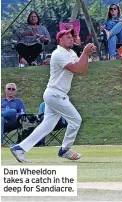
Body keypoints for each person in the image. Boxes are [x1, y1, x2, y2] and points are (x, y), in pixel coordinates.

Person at [10, 28, 96, 162]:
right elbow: (75, 68)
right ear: (60, 40)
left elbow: (82, 69)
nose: (71, 38)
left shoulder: (71, 52)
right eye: (67, 36)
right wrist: (85, 52)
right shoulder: (58, 54)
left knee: (47, 126)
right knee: (76, 120)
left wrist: (86, 54)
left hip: (56, 94)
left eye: (72, 36)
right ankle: (65, 150)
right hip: (55, 94)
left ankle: (19, 148)